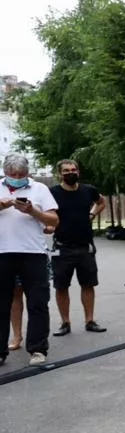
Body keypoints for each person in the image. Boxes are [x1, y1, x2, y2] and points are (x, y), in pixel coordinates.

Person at [0, 153, 59, 366]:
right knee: (1, 303)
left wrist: (33, 210)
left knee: (38, 302)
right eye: (12, 174)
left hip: (33, 253)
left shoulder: (39, 189)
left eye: (21, 174)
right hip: (2, 253)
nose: (17, 177)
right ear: (5, 172)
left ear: (28, 173)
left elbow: (54, 219)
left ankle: (38, 349)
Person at [49, 159, 107, 336]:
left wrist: (92, 214)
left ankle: (89, 320)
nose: (70, 173)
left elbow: (101, 202)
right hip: (62, 247)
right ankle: (65, 323)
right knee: (61, 287)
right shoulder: (52, 193)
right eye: (66, 171)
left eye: (73, 170)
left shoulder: (88, 190)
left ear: (78, 172)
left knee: (88, 285)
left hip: (85, 247)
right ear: (60, 174)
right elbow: (45, 212)